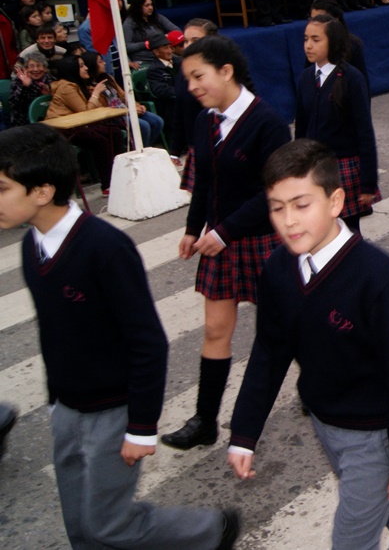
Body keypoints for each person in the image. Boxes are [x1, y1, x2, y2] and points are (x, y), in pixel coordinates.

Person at [0, 123, 239, 548]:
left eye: (2, 189)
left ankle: (210, 530)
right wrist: (56, 401)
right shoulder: (31, 246)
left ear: (42, 191)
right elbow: (54, 332)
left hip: (113, 411)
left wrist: (141, 427)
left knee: (110, 523)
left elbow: (148, 342)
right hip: (68, 408)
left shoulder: (104, 248)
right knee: (79, 522)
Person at [227, 139, 389, 550]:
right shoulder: (278, 268)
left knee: (353, 537)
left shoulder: (376, 277)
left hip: (373, 435)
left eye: (301, 205)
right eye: (277, 208)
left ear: (335, 202)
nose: (288, 221)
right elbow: (269, 353)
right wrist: (244, 432)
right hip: (324, 421)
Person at [161, 36, 291, 450]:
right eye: (187, 79)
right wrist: (192, 229)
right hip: (222, 242)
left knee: (284, 328)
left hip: (264, 241)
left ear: (226, 71)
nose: (192, 87)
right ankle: (205, 421)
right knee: (216, 330)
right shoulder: (206, 120)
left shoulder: (267, 122)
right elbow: (204, 181)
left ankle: (320, 385)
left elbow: (274, 193)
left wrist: (223, 232)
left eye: (198, 77)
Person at [295, 14, 381, 234]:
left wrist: (368, 182)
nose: (308, 45)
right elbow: (301, 130)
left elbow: (364, 132)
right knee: (319, 230)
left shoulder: (351, 78)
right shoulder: (305, 78)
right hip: (314, 167)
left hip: (343, 168)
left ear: (332, 42)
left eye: (316, 39)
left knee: (348, 231)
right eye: (306, 39)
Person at [46, 56, 123, 196]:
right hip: (64, 128)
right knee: (100, 141)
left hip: (80, 125)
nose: (86, 68)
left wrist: (95, 95)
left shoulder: (78, 84)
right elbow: (85, 112)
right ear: (72, 69)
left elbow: (95, 110)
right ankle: (107, 185)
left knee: (115, 132)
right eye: (81, 66)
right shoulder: (66, 87)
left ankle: (120, 175)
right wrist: (96, 93)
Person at [82, 50, 165, 149]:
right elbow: (102, 108)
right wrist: (128, 111)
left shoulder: (108, 78)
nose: (104, 63)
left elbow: (123, 95)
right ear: (92, 65)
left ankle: (144, 147)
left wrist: (136, 105)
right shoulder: (89, 88)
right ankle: (140, 150)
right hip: (115, 116)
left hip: (126, 109)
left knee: (157, 121)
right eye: (100, 61)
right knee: (143, 125)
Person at [174, 20, 219, 191]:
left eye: (195, 40)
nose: (188, 45)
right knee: (202, 198)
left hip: (223, 143)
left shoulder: (224, 69)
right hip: (197, 145)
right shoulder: (183, 72)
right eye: (185, 41)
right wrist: (174, 151)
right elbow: (180, 109)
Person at [122, 0, 181, 66]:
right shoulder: (129, 23)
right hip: (143, 60)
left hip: (163, 55)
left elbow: (177, 31)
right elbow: (127, 47)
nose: (150, 8)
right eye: (146, 5)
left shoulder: (157, 17)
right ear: (138, 7)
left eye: (151, 5)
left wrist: (167, 38)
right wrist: (145, 44)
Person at [8, 51, 51, 127]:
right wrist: (25, 86)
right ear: (26, 69)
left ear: (45, 69)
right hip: (24, 123)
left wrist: (48, 95)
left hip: (48, 119)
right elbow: (13, 104)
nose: (36, 69)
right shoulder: (18, 81)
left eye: (39, 66)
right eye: (31, 66)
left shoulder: (50, 80)